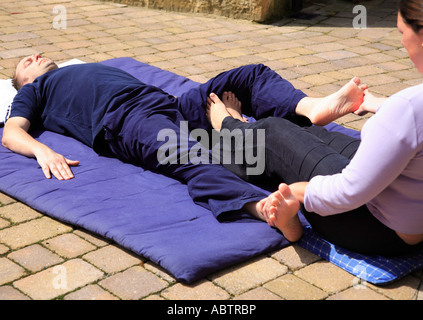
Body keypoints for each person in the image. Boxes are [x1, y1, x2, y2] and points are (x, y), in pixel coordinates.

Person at [2, 54, 364, 230]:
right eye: (25, 62)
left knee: (245, 77)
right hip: (125, 121)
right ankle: (263, 209)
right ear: (23, 81)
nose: (34, 56)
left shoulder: (80, 67)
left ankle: (311, 107)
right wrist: (41, 150)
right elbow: (12, 131)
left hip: (171, 104)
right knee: (191, 157)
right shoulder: (35, 91)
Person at [205, 0, 423, 256]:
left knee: (275, 133)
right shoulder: (406, 107)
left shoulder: (406, 109)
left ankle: (231, 127)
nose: (400, 42)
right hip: (405, 209)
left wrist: (297, 192)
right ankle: (300, 116)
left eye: (401, 33)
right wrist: (378, 105)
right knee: (312, 135)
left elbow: (347, 193)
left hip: (374, 228)